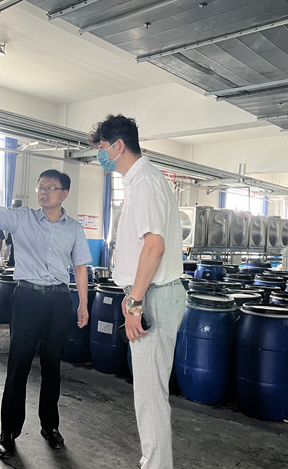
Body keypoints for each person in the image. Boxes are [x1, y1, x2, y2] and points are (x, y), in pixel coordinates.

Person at [0, 169, 91, 459]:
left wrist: (83, 303)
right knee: (18, 365)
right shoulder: (22, 219)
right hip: (27, 297)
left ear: (64, 194)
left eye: (50, 187)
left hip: (59, 299)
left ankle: (50, 426)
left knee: (52, 366)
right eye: (40, 187)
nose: (43, 192)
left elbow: (80, 266)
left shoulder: (74, 229)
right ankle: (8, 432)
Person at [90, 114, 185, 469]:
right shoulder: (141, 181)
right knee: (149, 393)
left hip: (153, 297)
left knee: (150, 396)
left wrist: (135, 302)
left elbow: (154, 247)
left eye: (102, 147)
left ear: (118, 145)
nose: (101, 155)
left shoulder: (144, 181)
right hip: (151, 294)